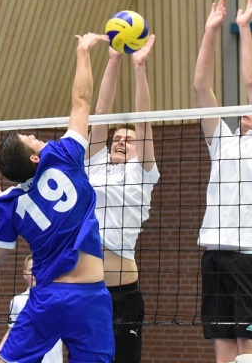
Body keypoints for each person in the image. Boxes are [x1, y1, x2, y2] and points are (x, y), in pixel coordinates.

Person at [0, 32, 114, 363]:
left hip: (47, 300)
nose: (37, 138)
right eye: (32, 139)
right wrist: (83, 51)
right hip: (90, 297)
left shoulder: (8, 204)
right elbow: (81, 101)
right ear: (35, 159)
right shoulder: (63, 156)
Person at [193, 0, 252, 363]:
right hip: (215, 253)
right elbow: (201, 87)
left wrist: (244, 27)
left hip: (250, 256)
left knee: (250, 353)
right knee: (224, 352)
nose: (246, 110)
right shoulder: (223, 142)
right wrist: (210, 31)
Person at [85, 34, 159, 362]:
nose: (119, 141)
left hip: (122, 292)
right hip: (85, 288)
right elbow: (100, 111)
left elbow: (144, 125)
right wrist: (114, 60)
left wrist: (138, 67)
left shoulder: (142, 173)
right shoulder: (95, 163)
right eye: (116, 137)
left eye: (127, 140)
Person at [0, 254, 63, 363]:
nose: (35, 273)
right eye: (31, 270)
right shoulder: (17, 301)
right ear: (25, 274)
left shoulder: (58, 298)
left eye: (38, 268)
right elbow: (10, 333)